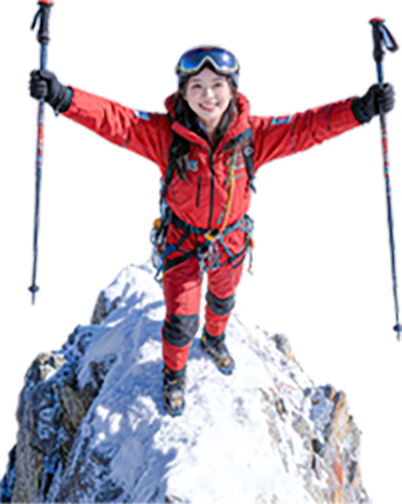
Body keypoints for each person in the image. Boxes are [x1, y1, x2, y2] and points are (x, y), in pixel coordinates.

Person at [27, 43, 397, 417]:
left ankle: (215, 337)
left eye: (217, 85)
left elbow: (306, 127)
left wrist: (360, 109)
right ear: (183, 92)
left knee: (222, 300)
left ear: (233, 89)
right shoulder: (166, 135)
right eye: (197, 86)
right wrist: (63, 97)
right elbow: (116, 119)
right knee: (180, 321)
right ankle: (174, 375)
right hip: (182, 241)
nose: (208, 96)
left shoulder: (252, 136)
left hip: (230, 241)